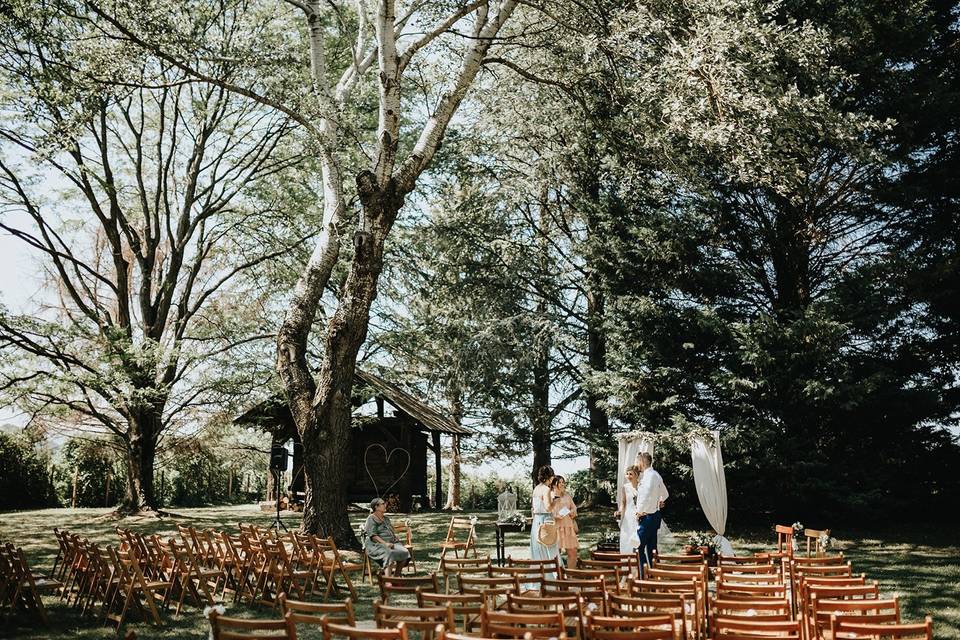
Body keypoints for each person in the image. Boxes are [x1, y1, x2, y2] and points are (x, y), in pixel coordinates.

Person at [634, 452, 669, 569]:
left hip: (647, 517)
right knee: (652, 549)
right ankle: (654, 577)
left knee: (637, 547)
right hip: (655, 516)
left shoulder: (649, 476)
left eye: (638, 461)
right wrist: (660, 501)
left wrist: (639, 511)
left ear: (642, 462)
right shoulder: (656, 475)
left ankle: (643, 577)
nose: (637, 464)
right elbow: (665, 493)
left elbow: (646, 495)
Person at [363, 497, 410, 576]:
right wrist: (385, 543)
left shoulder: (386, 519)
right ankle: (388, 580)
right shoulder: (371, 518)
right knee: (389, 553)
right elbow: (373, 536)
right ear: (376, 507)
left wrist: (395, 538)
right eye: (383, 504)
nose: (385, 505)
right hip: (375, 544)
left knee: (405, 552)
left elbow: (391, 531)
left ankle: (396, 577)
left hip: (391, 542)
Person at [530, 465, 559, 566]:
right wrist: (555, 500)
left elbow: (533, 508)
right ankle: (551, 574)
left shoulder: (536, 489)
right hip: (545, 521)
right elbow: (548, 508)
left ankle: (538, 574)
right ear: (549, 476)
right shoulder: (546, 489)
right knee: (549, 548)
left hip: (536, 521)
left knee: (538, 550)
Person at [550, 475, 579, 569]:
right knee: (555, 554)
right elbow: (547, 511)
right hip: (556, 528)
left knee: (573, 553)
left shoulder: (567, 495)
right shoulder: (550, 495)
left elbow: (574, 507)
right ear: (554, 484)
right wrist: (555, 515)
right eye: (560, 482)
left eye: (563, 482)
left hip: (568, 527)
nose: (562, 484)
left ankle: (571, 575)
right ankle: (556, 576)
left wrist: (572, 512)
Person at [615, 465, 642, 555]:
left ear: (636, 475)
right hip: (628, 516)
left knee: (638, 538)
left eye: (631, 474)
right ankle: (626, 562)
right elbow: (623, 503)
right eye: (627, 474)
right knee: (626, 537)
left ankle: (639, 561)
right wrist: (619, 511)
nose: (628, 476)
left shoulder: (642, 486)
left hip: (639, 515)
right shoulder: (625, 487)